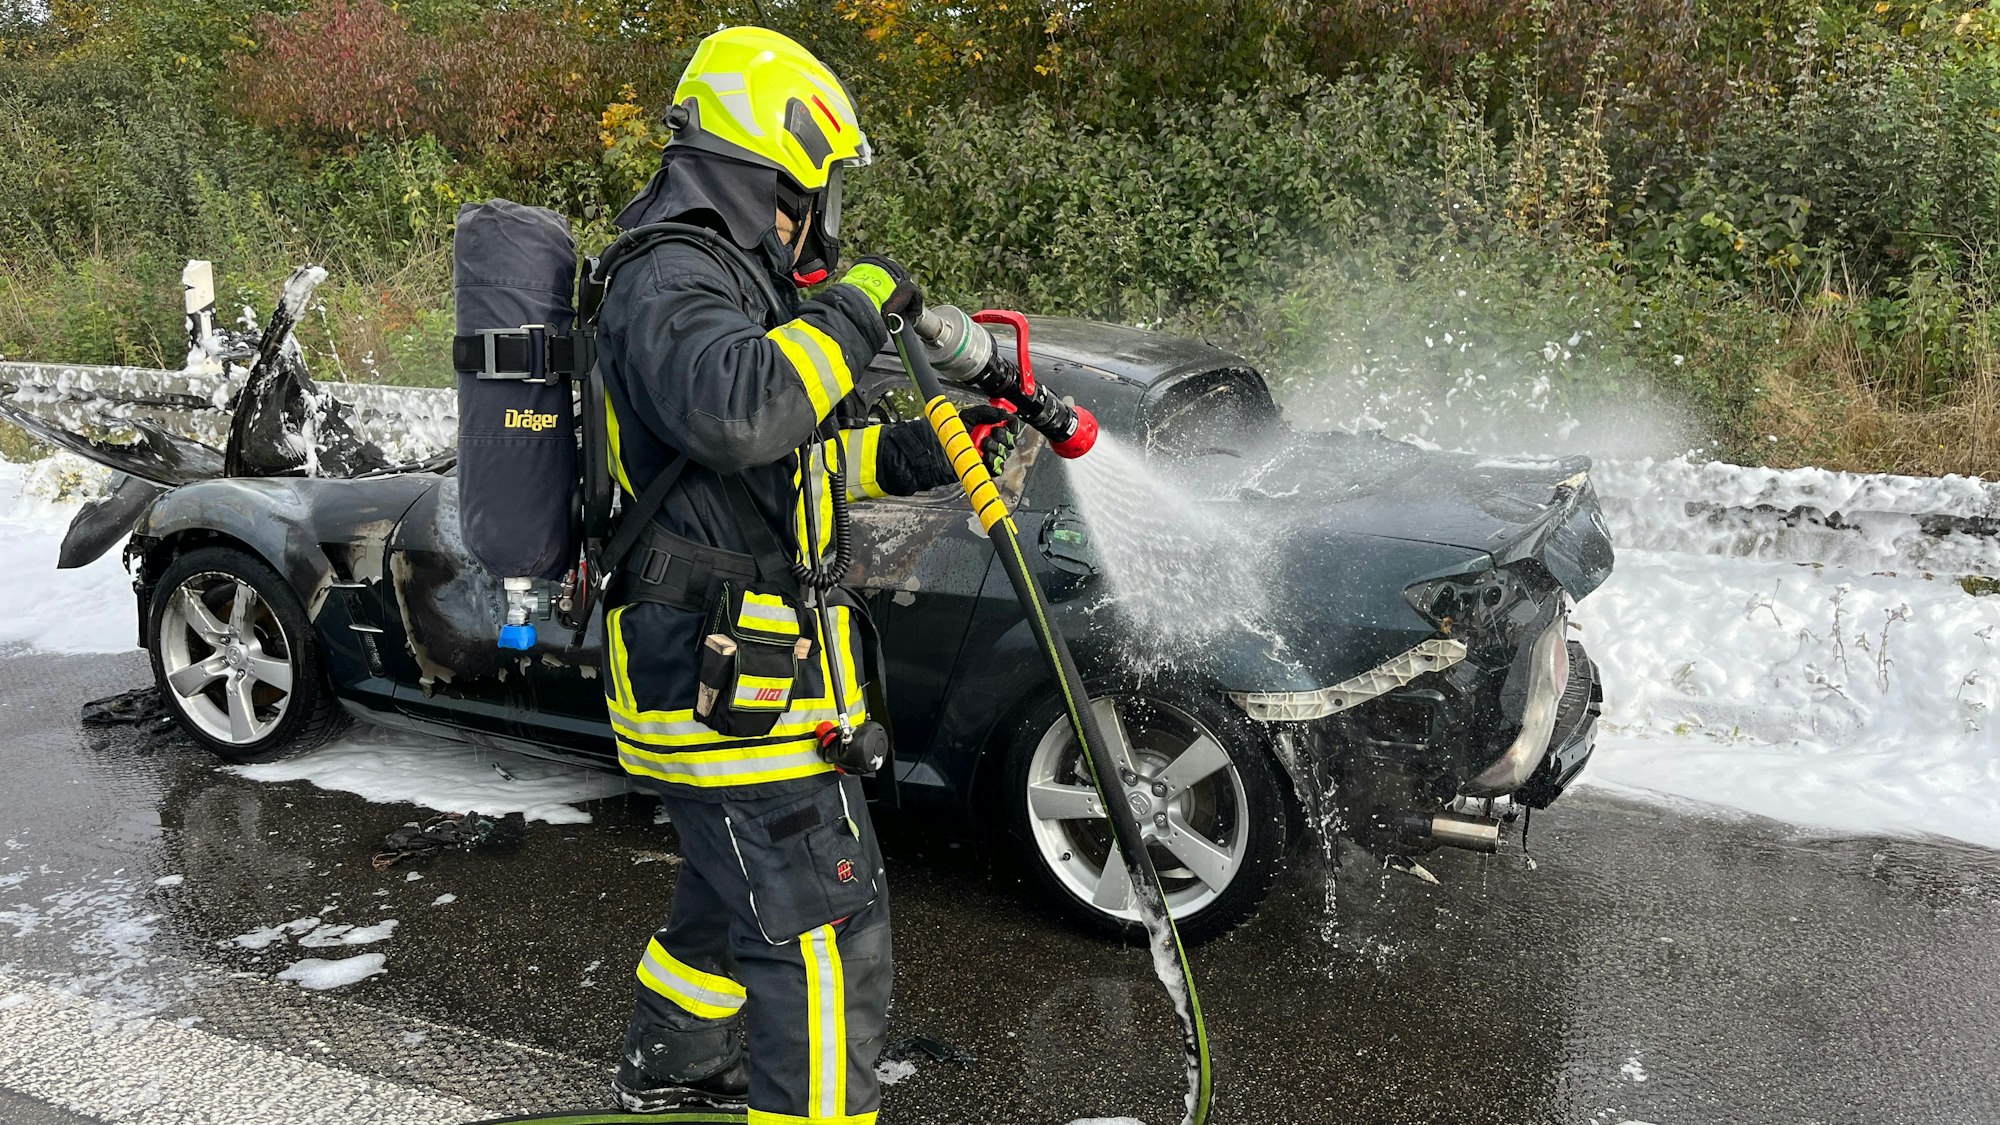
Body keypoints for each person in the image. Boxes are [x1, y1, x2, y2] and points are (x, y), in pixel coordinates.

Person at [592, 26, 1017, 1124]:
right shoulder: (670, 270)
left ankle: (672, 1064)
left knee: (728, 900)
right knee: (827, 936)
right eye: (817, 188)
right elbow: (735, 410)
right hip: (722, 682)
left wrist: (908, 453)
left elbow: (777, 465)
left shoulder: (717, 278)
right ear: (776, 166)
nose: (821, 216)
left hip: (741, 676)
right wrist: (853, 302)